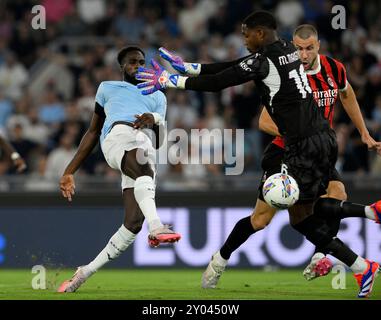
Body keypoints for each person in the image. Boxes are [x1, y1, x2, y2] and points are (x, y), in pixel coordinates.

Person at [136, 11, 380, 298]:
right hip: (323, 139)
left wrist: (168, 80)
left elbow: (221, 82)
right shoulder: (287, 51)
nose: (244, 38)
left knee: (300, 220)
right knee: (303, 214)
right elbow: (235, 66)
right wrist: (189, 67)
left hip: (301, 146)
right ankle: (368, 217)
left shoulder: (264, 61)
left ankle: (362, 265)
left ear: (260, 33)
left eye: (246, 33)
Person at [199, 23, 381, 288]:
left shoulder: (334, 69)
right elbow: (263, 120)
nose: (304, 55)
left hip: (319, 152)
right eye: (298, 49)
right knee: (261, 220)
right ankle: (220, 259)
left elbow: (347, 94)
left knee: (337, 192)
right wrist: (298, 134)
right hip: (287, 153)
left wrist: (364, 132)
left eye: (309, 49)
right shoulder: (287, 74)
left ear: (318, 46)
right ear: (292, 48)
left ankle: (324, 255)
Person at [57, 46, 181, 293]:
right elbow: (93, 131)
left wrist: (154, 120)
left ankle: (85, 272)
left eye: (142, 62)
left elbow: (159, 141)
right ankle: (156, 227)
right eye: (133, 62)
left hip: (144, 146)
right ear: (121, 67)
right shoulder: (107, 88)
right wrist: (70, 170)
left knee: (133, 223)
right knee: (143, 168)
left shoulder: (158, 96)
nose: (138, 66)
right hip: (117, 137)